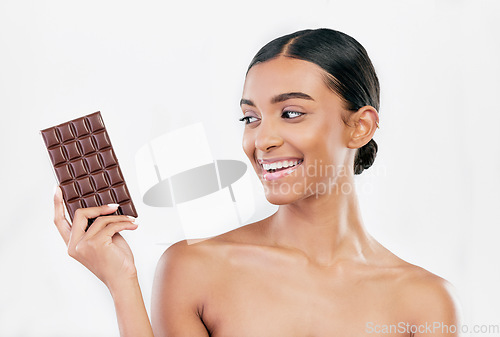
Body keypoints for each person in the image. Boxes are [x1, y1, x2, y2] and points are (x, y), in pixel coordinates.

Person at [53, 28, 461, 336]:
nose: (262, 139)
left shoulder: (424, 302)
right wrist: (121, 281)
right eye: (250, 117)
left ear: (360, 126)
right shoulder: (195, 269)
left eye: (291, 113)